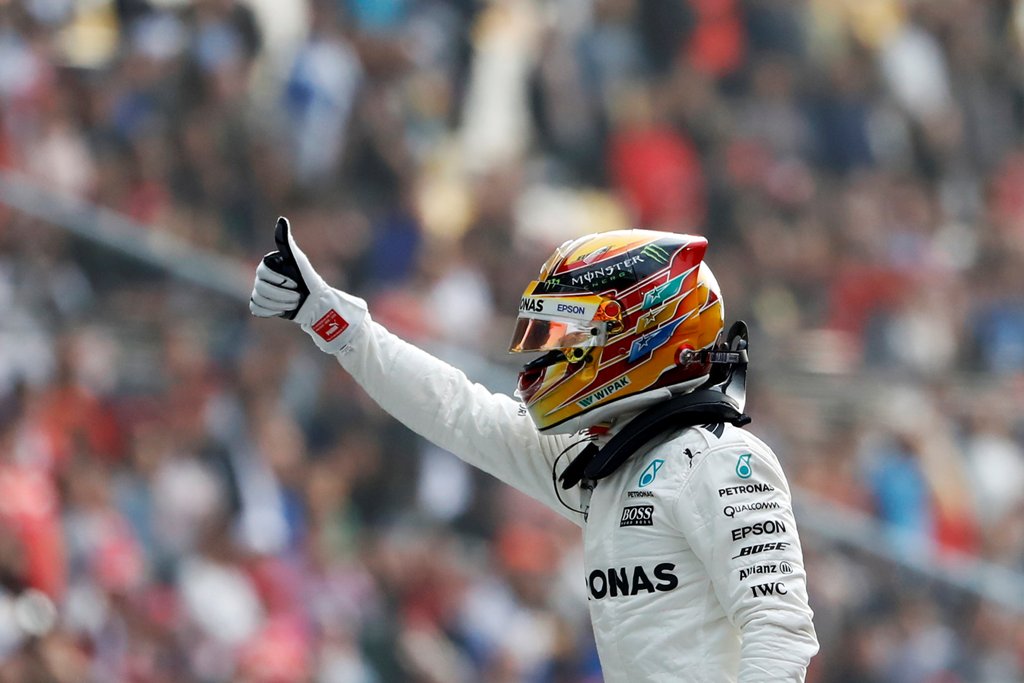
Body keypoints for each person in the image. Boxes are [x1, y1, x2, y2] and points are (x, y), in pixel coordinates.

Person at [249, 218, 819, 682]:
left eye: (567, 338)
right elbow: (457, 412)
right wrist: (334, 322)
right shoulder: (605, 465)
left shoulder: (719, 461)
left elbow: (781, 631)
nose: (544, 359)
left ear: (640, 337)